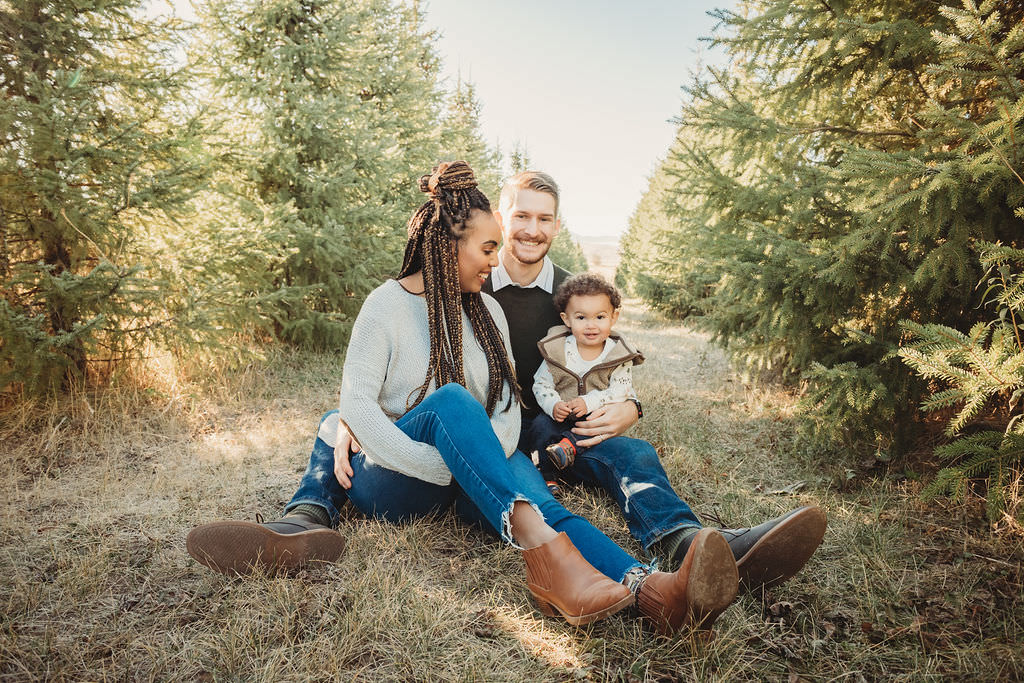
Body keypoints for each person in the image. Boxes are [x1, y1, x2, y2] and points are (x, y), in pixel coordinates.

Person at [187, 162, 740, 634]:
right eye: (487, 247)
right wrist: (446, 462)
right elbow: (354, 406)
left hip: (473, 469)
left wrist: (474, 456)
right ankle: (305, 523)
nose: (493, 260)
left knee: (549, 508)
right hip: (398, 480)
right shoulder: (384, 306)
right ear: (449, 244)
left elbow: (504, 407)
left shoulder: (487, 311)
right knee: (451, 403)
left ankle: (652, 594)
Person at [480, 170, 827, 590]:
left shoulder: (571, 293)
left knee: (635, 455)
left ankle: (691, 545)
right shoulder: (472, 283)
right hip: (496, 437)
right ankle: (633, 579)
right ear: (501, 219)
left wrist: (630, 406)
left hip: (569, 431)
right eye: (522, 216)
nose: (533, 231)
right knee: (529, 500)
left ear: (557, 223)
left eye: (546, 219)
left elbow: (605, 357)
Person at [528, 272, 643, 471]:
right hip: (561, 417)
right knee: (540, 426)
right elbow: (541, 383)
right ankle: (546, 475)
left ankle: (568, 447)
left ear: (614, 317)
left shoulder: (618, 355)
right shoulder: (557, 350)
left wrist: (588, 402)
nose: (591, 325)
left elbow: (620, 392)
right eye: (581, 317)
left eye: (600, 317)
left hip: (594, 421)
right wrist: (554, 404)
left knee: (599, 429)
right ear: (566, 319)